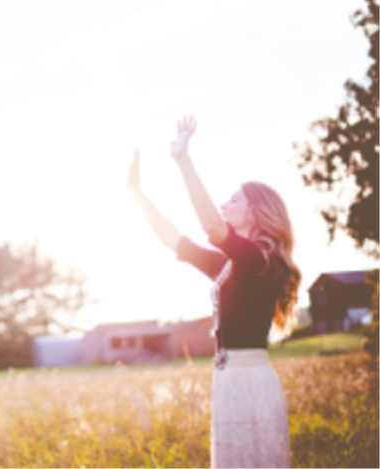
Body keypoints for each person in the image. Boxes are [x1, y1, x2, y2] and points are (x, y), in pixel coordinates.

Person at [127, 116, 300, 468]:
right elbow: (172, 239)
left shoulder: (261, 261)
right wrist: (137, 193)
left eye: (233, 200)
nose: (224, 205)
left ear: (256, 211)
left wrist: (183, 160)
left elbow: (211, 226)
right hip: (229, 382)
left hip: (250, 384)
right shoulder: (230, 264)